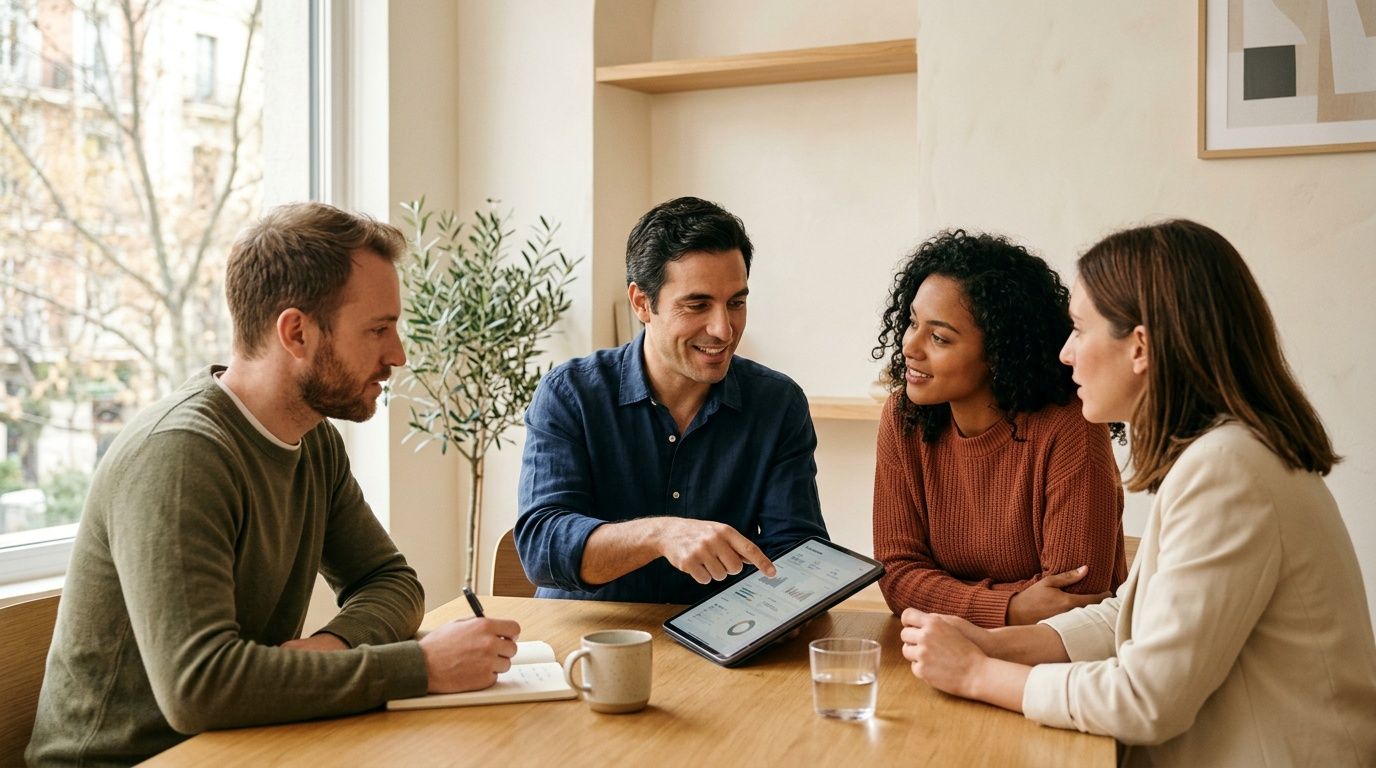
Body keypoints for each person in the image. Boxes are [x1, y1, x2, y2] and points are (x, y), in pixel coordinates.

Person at [28, 203, 521, 767]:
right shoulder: (181, 455)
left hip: (244, 744)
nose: (398, 355)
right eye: (378, 330)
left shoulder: (313, 442)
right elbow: (200, 687)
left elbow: (390, 580)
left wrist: (331, 647)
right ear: (296, 332)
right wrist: (421, 668)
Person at [901, 220, 1376, 766]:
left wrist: (977, 673)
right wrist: (987, 640)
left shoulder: (1227, 468)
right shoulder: (1222, 453)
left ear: (1140, 348)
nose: (1064, 354)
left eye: (1079, 330)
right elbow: (1124, 615)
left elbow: (1147, 700)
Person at [515, 196, 828, 603]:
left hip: (721, 649)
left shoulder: (778, 404)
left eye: (736, 302)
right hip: (589, 646)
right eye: (697, 305)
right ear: (642, 303)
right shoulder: (570, 394)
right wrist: (662, 534)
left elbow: (798, 553)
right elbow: (543, 547)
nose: (723, 329)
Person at [871, 230, 1126, 628]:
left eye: (939, 337)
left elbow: (1073, 602)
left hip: (1064, 668)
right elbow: (896, 576)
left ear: (999, 352)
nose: (910, 346)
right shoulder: (904, 417)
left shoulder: (1070, 426)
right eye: (911, 322)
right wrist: (1010, 607)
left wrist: (947, 597)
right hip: (943, 651)